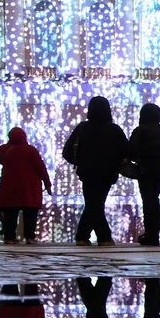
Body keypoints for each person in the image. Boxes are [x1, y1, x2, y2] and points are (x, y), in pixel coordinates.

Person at [62, 96, 129, 245]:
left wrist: (79, 162)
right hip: (107, 173)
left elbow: (67, 151)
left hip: (87, 172)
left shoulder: (82, 128)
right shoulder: (114, 129)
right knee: (96, 204)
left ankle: (85, 236)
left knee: (93, 203)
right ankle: (100, 237)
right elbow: (126, 150)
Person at [127, 101, 160, 245]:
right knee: (154, 197)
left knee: (148, 199)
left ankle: (151, 234)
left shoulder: (140, 130)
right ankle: (155, 229)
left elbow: (131, 150)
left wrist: (136, 159)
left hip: (144, 167)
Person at [0, 127, 47, 244]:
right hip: (30, 186)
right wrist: (47, 183)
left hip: (10, 186)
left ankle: (9, 237)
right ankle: (29, 237)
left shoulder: (5, 149)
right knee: (30, 213)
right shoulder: (31, 150)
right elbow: (40, 167)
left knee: (10, 213)